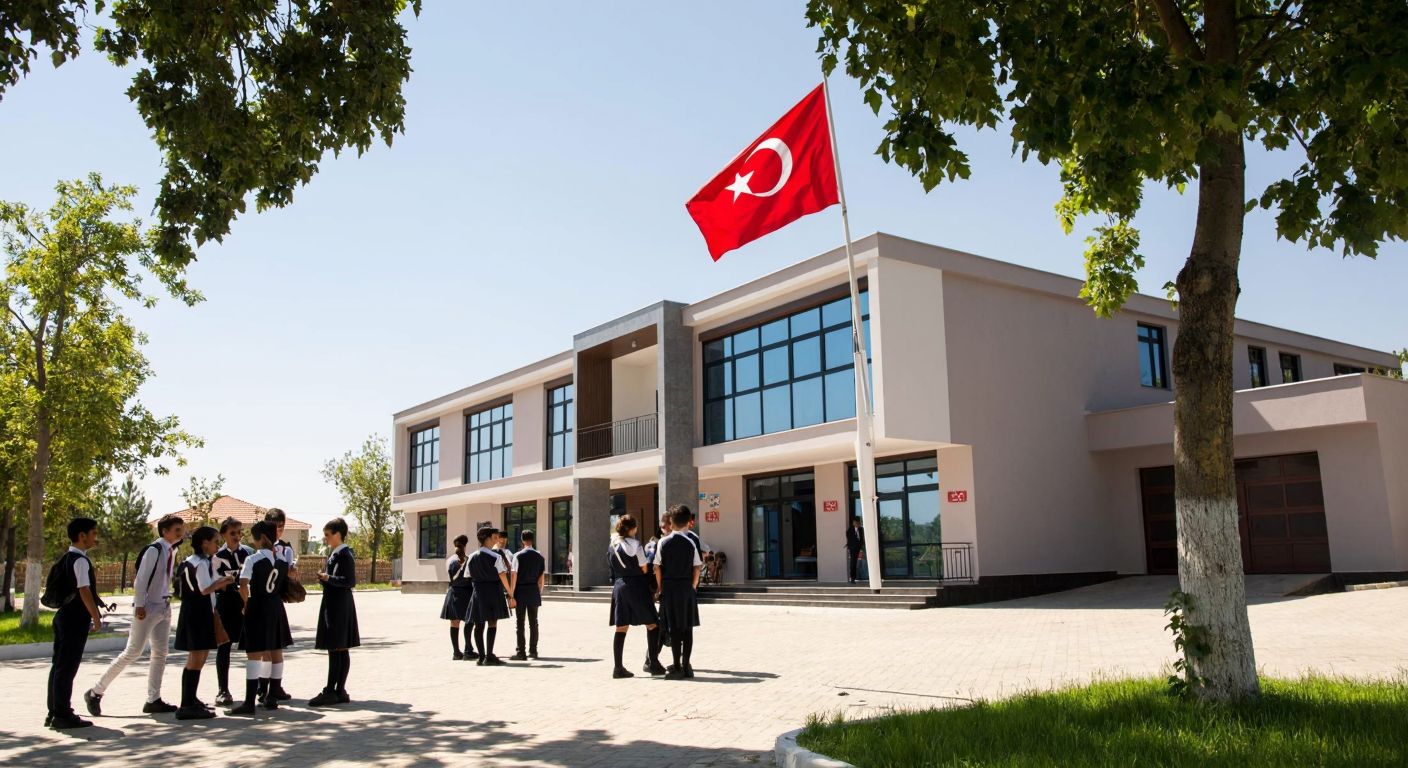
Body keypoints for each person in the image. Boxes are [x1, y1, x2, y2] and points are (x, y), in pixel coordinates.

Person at [85, 513, 185, 717]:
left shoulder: (171, 549)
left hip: (164, 606)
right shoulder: (154, 550)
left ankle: (153, 698)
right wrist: (140, 604)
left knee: (160, 653)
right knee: (133, 651)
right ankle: (96, 691)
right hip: (148, 606)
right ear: (165, 531)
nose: (181, 533)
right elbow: (141, 580)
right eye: (177, 530)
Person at [46, 517, 104, 730]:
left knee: (59, 666)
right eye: (93, 533)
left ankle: (54, 711)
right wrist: (96, 617)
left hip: (63, 617)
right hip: (74, 619)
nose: (95, 537)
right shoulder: (79, 560)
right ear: (82, 535)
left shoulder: (67, 558)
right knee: (67, 667)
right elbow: (84, 590)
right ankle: (62, 714)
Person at [173, 525, 234, 720]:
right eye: (216, 541)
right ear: (204, 543)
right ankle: (186, 704)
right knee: (196, 657)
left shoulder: (197, 561)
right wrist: (223, 582)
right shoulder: (199, 563)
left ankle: (191, 699)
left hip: (199, 612)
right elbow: (204, 589)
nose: (218, 545)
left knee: (200, 655)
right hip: (197, 613)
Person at [228, 521, 281, 715]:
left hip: (257, 606)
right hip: (275, 607)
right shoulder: (281, 559)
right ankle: (272, 696)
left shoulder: (253, 559)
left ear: (261, 538)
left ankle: (249, 702)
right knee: (275, 651)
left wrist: (246, 603)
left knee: (254, 654)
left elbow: (243, 584)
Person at [310, 517, 360, 707]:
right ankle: (338, 690)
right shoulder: (337, 554)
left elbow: (349, 581)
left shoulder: (344, 555)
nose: (326, 539)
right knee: (339, 647)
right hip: (336, 602)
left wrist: (328, 577)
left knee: (337, 647)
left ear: (338, 534)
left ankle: (333, 690)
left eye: (328, 535)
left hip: (339, 605)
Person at [608, 515, 663, 679]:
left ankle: (618, 668)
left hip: (619, 586)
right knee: (653, 624)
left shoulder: (612, 544)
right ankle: (653, 662)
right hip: (636, 586)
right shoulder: (636, 545)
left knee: (621, 627)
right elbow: (644, 567)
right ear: (633, 528)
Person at [655, 505, 703, 679]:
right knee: (687, 627)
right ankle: (686, 666)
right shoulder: (691, 542)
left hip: (669, 587)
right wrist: (693, 586)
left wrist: (660, 587)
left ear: (671, 522)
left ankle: (676, 666)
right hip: (686, 587)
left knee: (674, 628)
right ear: (687, 522)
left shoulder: (663, 542)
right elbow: (697, 567)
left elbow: (657, 567)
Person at [212, 517, 253, 706]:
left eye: (239, 533)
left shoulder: (249, 554)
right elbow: (216, 581)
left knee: (253, 646)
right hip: (226, 604)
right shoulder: (217, 557)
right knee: (224, 646)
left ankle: (257, 688)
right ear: (223, 535)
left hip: (245, 603)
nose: (237, 537)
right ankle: (223, 689)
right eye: (232, 533)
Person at [466, 527, 514, 665]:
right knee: (492, 622)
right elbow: (502, 575)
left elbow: (468, 575)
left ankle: (481, 657)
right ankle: (489, 655)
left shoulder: (472, 557)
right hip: (493, 591)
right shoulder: (496, 556)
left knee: (478, 624)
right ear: (487, 538)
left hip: (478, 592)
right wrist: (510, 592)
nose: (496, 540)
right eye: (494, 537)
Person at [262, 508, 297, 703]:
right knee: (263, 649)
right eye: (275, 527)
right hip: (260, 601)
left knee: (276, 646)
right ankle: (262, 686)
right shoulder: (257, 549)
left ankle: (275, 687)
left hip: (276, 600)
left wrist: (291, 575)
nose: (278, 531)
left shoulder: (286, 549)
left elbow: (289, 574)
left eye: (282, 527)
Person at [642, 510, 673, 674]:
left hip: (664, 590)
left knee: (663, 626)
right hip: (660, 590)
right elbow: (651, 569)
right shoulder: (655, 545)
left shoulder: (665, 542)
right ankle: (651, 660)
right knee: (660, 627)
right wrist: (656, 590)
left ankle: (653, 659)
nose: (665, 527)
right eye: (665, 524)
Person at [510, 530, 545, 661]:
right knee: (534, 622)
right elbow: (541, 576)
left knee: (520, 623)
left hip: (520, 591)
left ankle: (521, 652)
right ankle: (533, 650)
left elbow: (514, 575)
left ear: (522, 540)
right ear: (532, 539)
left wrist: (511, 593)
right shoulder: (539, 556)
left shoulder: (518, 556)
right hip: (533, 591)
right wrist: (539, 590)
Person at [441, 534, 475, 660]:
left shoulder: (449, 560)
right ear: (465, 546)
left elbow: (448, 578)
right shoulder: (469, 559)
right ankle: (468, 649)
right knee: (469, 621)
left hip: (453, 592)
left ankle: (456, 652)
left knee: (454, 622)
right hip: (466, 593)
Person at [846, 516, 864, 584]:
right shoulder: (850, 530)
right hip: (853, 548)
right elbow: (850, 539)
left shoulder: (861, 529)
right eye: (856, 522)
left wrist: (861, 545)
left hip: (859, 547)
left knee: (856, 562)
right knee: (853, 562)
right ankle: (852, 578)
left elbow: (861, 538)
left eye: (858, 523)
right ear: (854, 522)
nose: (858, 524)